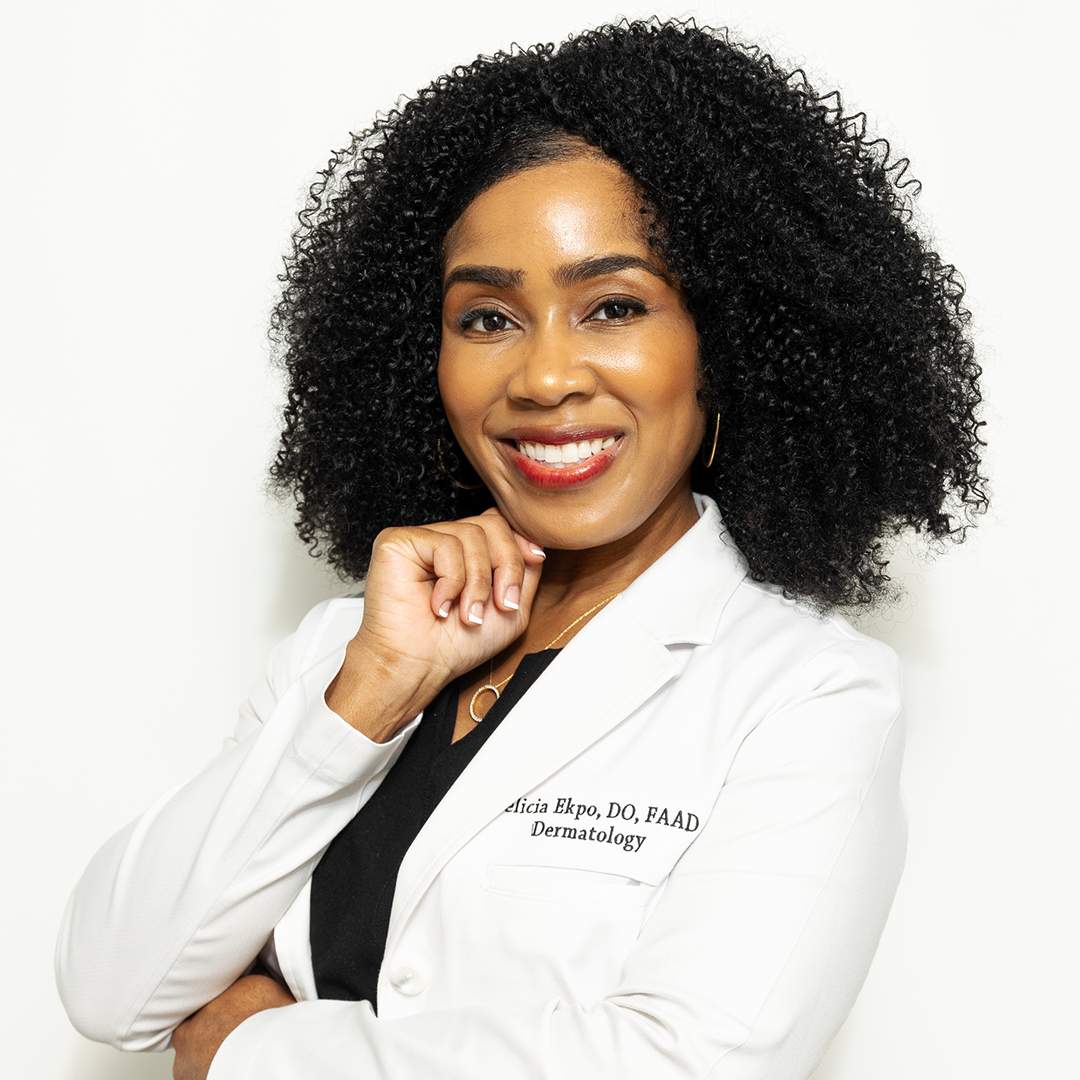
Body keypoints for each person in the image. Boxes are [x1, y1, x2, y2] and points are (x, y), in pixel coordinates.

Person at [54, 15, 988, 1080]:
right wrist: (367, 694)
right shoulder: (344, 652)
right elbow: (110, 988)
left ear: (724, 344)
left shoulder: (807, 694)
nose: (543, 378)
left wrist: (254, 1050)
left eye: (614, 307)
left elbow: (687, 1065)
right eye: (488, 319)